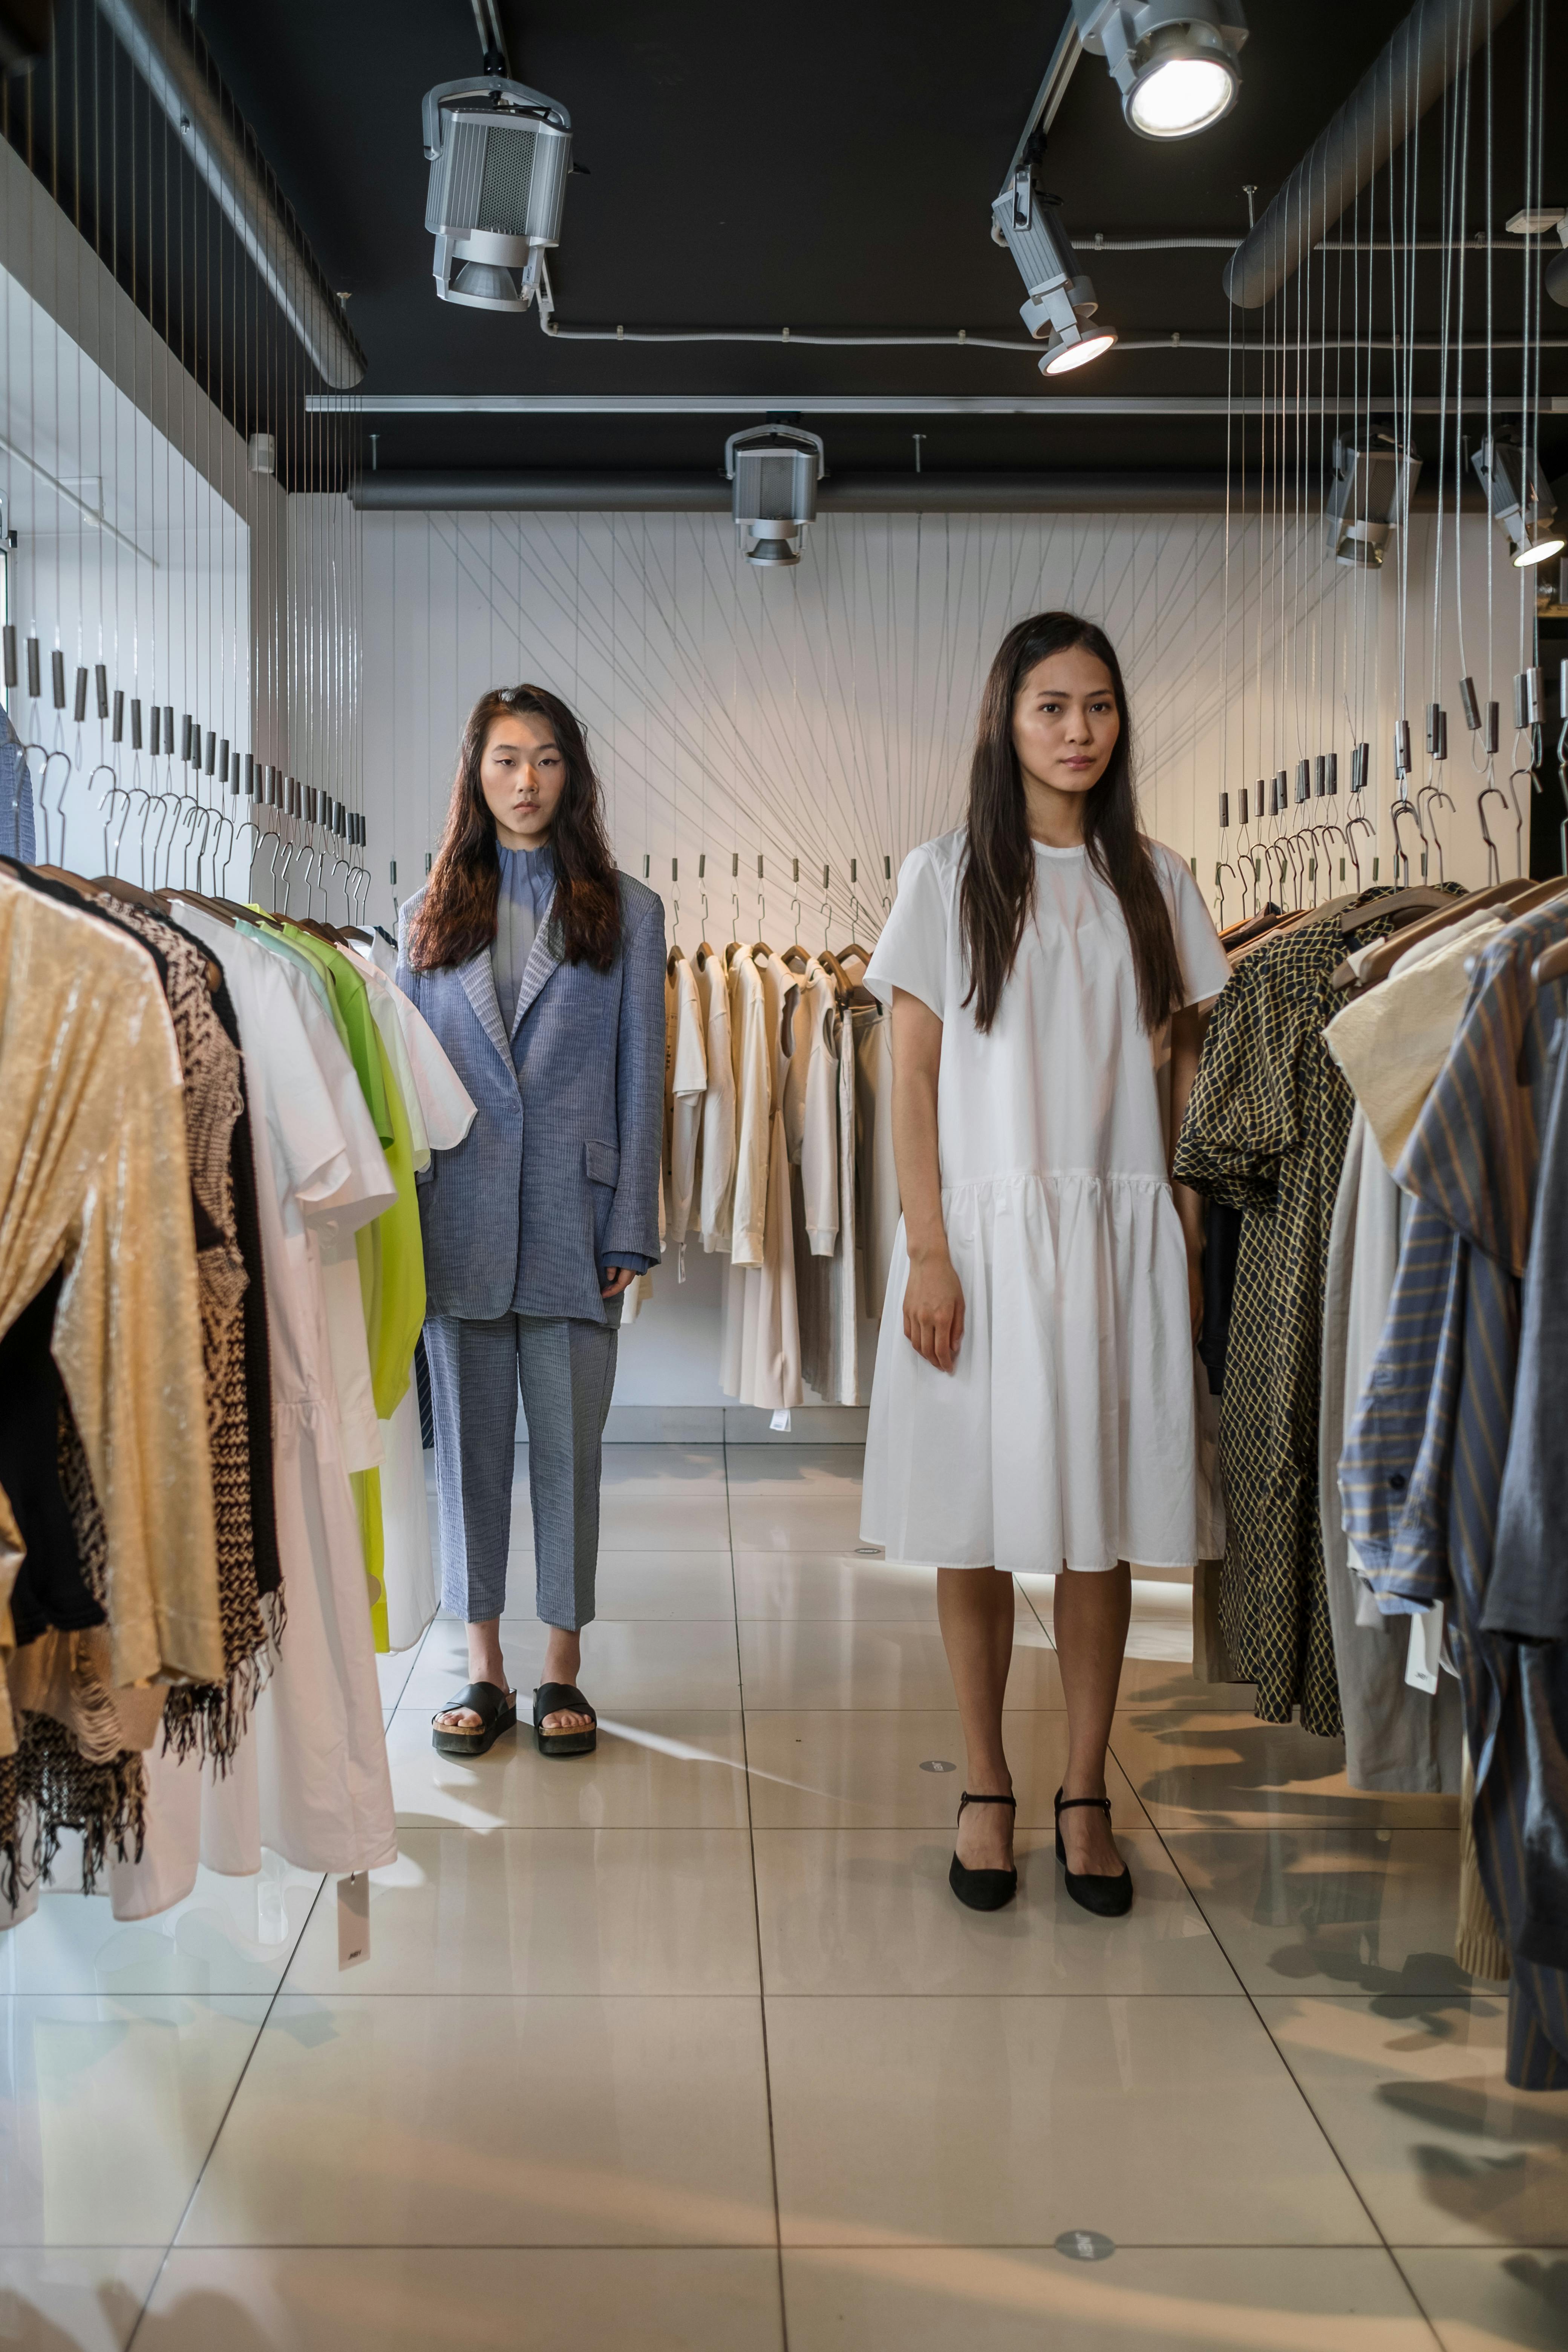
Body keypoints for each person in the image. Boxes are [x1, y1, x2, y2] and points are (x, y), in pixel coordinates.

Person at [859, 611, 1230, 1915]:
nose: (1079, 732)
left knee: (1102, 1526)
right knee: (973, 1515)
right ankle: (985, 1780)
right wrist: (928, 1249)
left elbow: (1183, 1067)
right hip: (985, 1241)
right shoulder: (947, 875)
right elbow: (904, 1071)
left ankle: (1085, 1785)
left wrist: (1183, 1230)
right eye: (1052, 707)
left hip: (1117, 1241)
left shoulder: (1159, 880)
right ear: (1005, 721)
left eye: (1100, 707)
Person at [396, 684, 665, 1758]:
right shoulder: (425, 914)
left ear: (573, 776)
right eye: (506, 760)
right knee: (464, 1457)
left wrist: (630, 1225)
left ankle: (561, 1666)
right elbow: (414, 1088)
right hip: (456, 1215)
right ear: (476, 773)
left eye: (547, 759)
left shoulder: (628, 911)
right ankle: (484, 1666)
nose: (526, 781)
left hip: (574, 1215)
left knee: (568, 1455)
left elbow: (641, 1076)